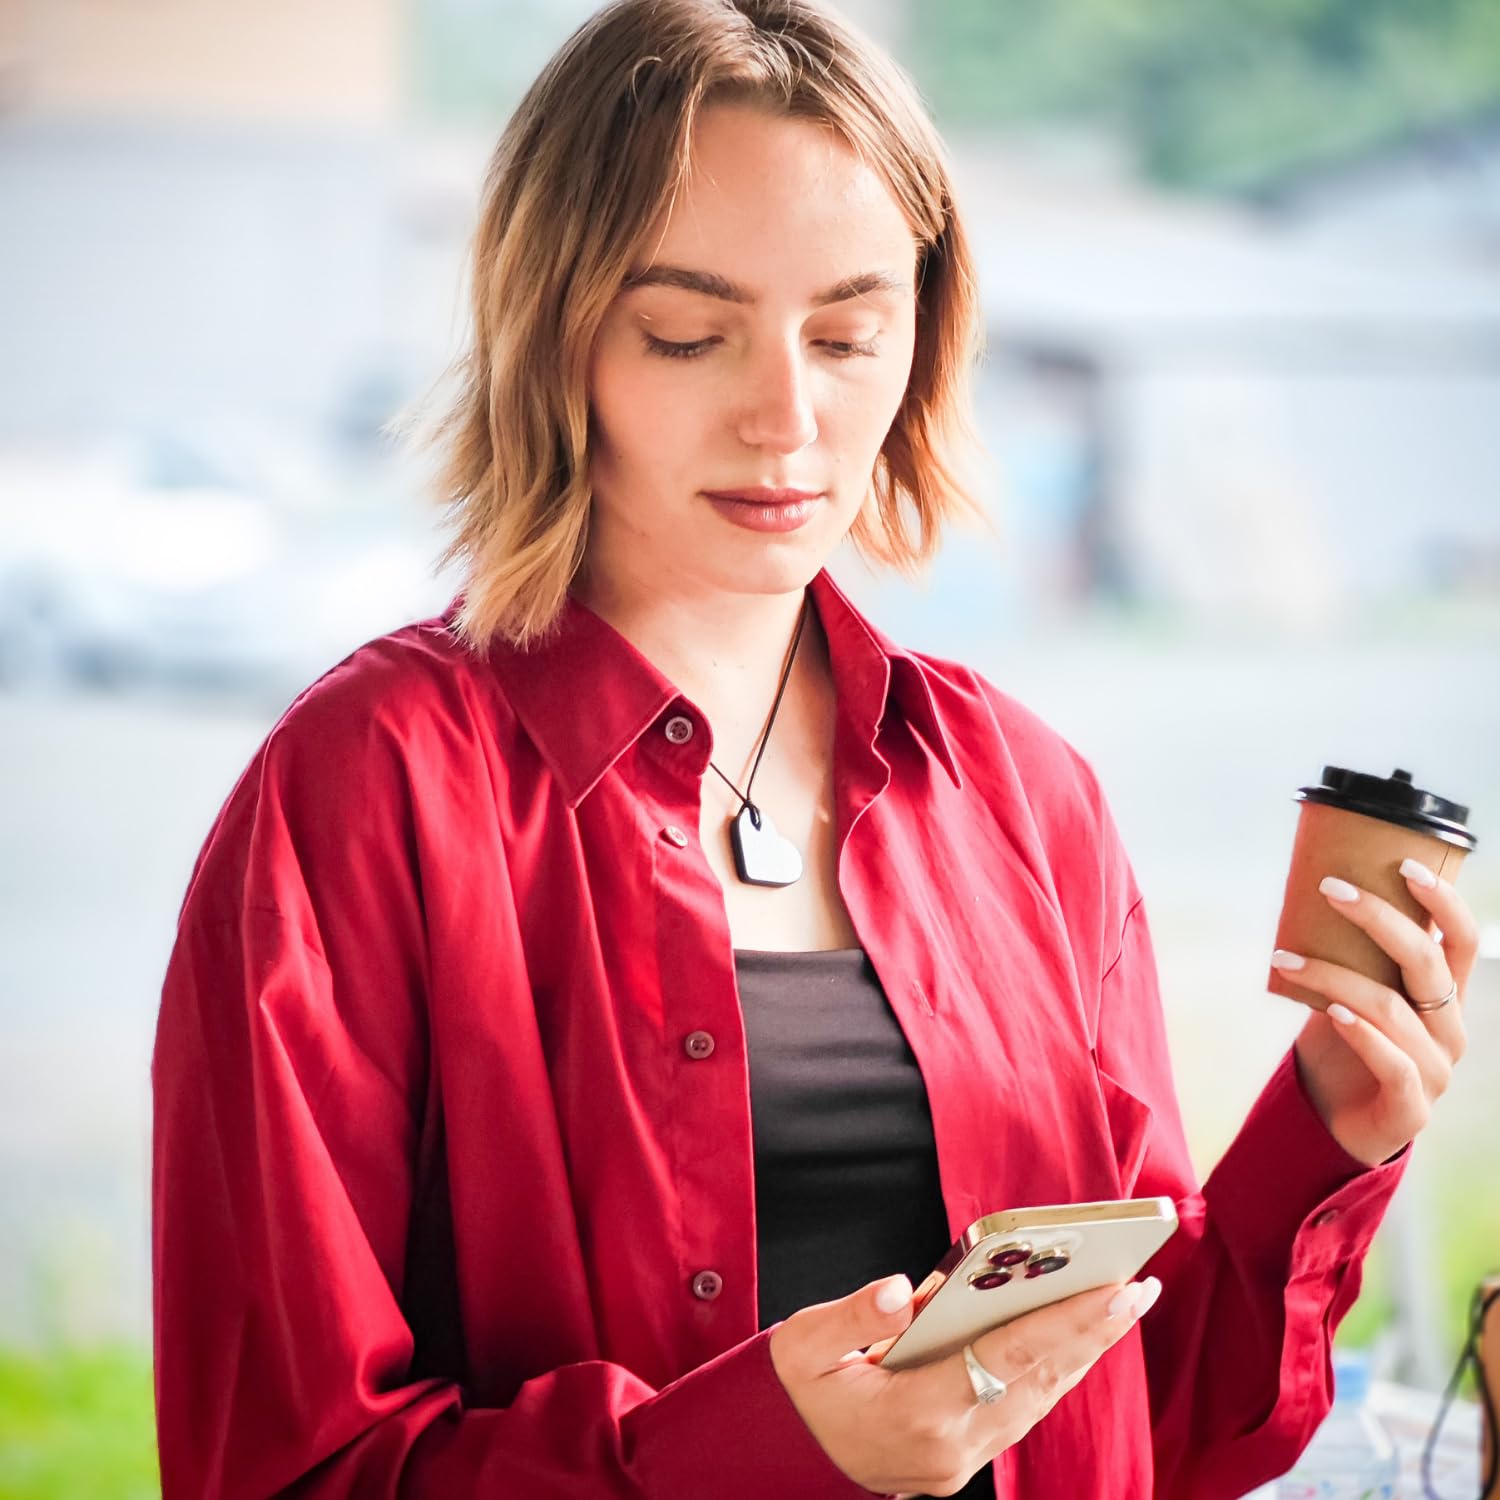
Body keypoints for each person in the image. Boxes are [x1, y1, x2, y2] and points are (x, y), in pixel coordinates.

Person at [150, 1, 1481, 1496]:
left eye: (849, 333)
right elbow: (275, 1467)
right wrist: (753, 1450)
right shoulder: (361, 789)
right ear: (555, 338)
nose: (787, 416)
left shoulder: (1027, 798)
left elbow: (1150, 1425)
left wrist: (1330, 1139)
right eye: (687, 331)